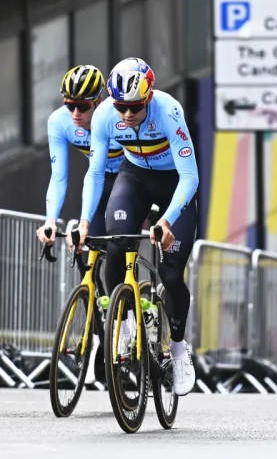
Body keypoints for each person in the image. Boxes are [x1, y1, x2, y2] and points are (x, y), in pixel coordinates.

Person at [67, 57, 199, 396]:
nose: (127, 114)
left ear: (149, 97)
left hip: (174, 183)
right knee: (115, 242)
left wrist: (167, 220)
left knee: (170, 276)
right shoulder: (105, 115)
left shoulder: (168, 112)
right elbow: (95, 174)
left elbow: (190, 176)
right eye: (122, 106)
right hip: (135, 177)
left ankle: (180, 351)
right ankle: (126, 324)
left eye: (135, 107)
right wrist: (83, 222)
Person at [36, 65, 124, 386]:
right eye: (68, 104)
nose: (74, 112)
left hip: (130, 182)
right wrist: (50, 222)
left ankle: (125, 324)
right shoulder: (58, 122)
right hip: (98, 183)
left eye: (82, 106)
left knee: (117, 252)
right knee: (89, 257)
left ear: (98, 102)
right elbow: (59, 177)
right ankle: (103, 330)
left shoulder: (114, 117)